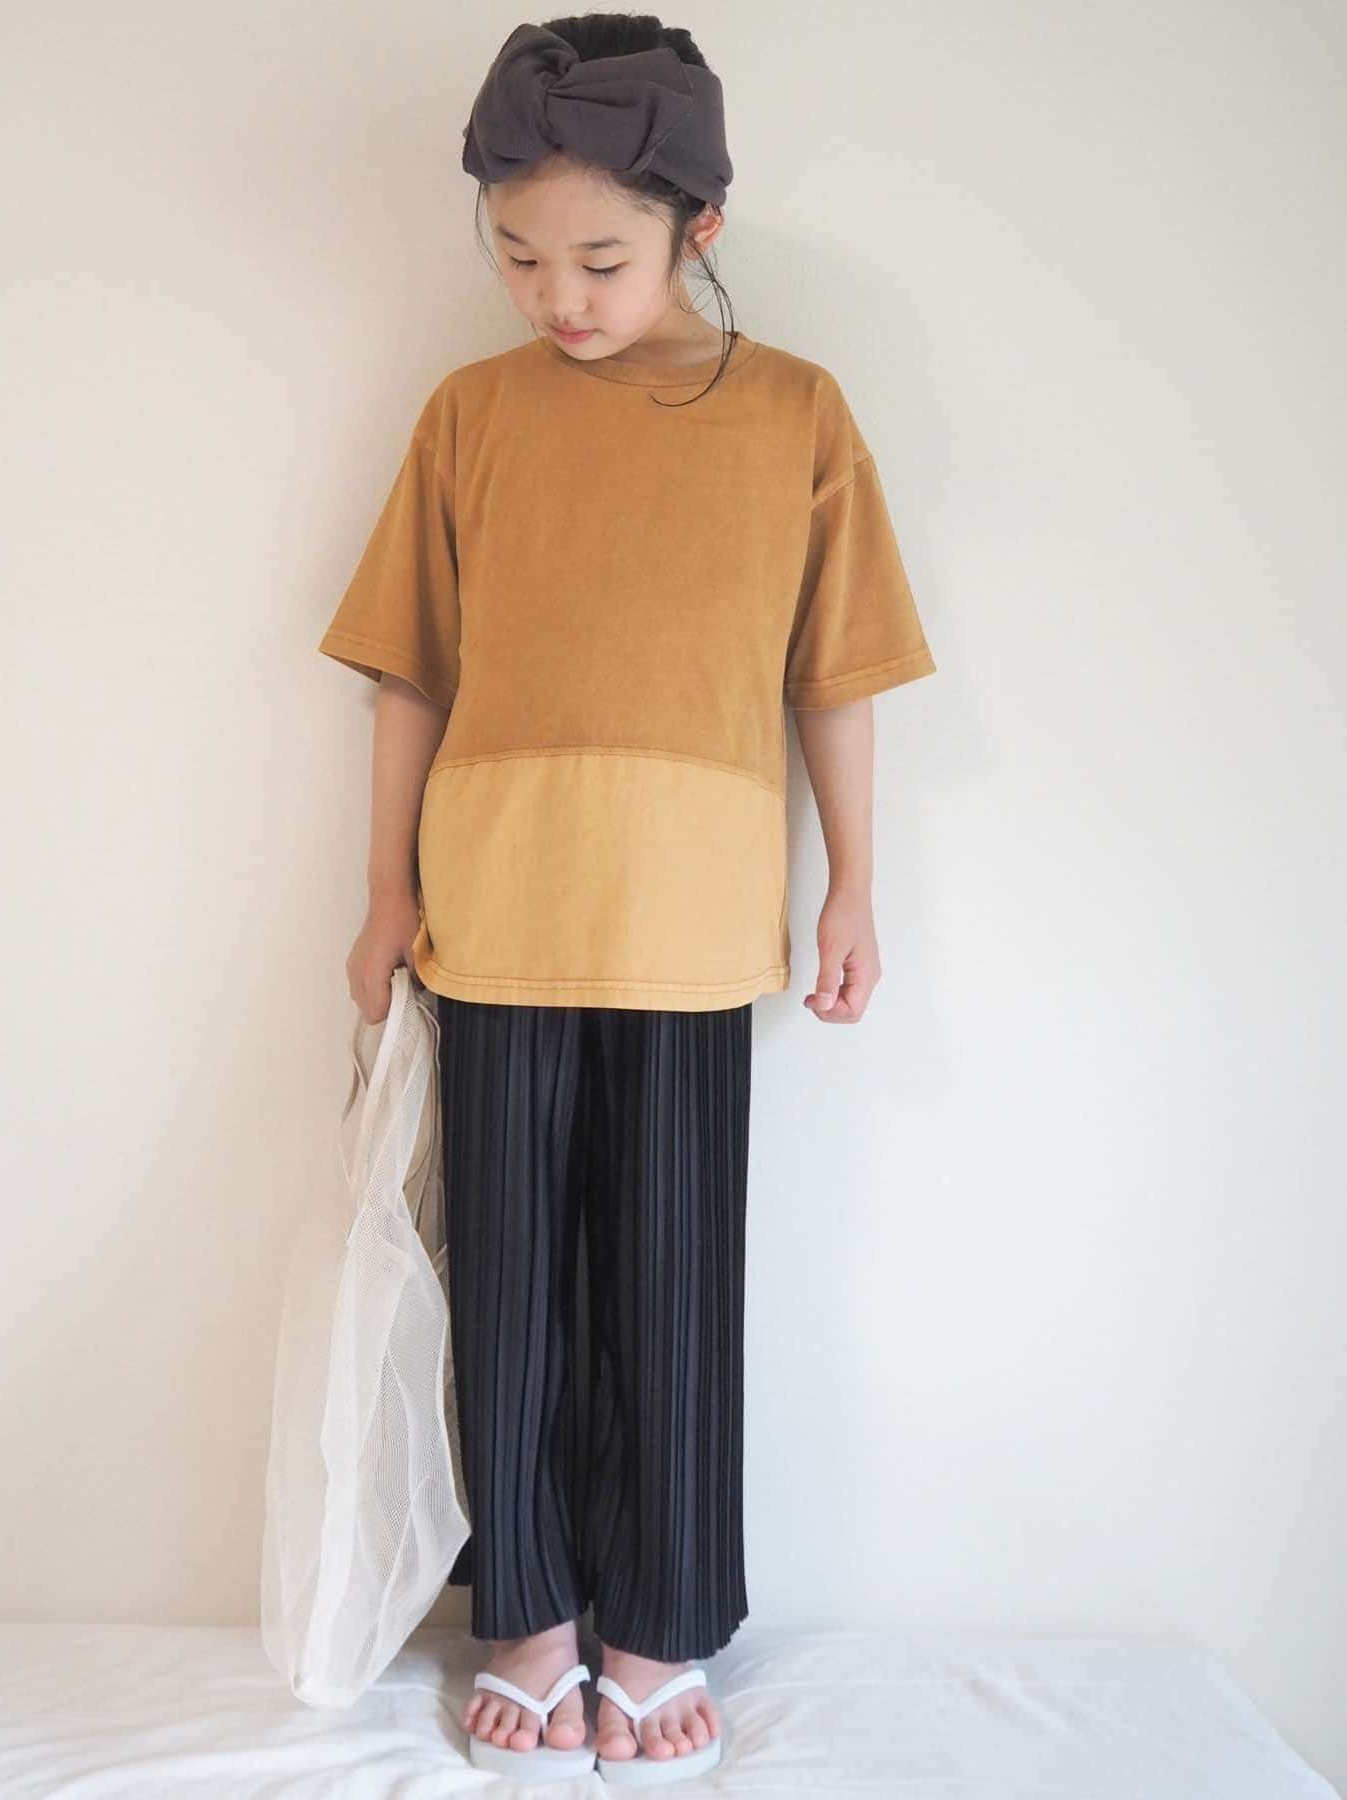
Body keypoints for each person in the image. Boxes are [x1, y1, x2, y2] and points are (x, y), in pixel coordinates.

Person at [317, 12, 937, 1783]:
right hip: (495, 908)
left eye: (599, 258)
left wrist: (857, 888)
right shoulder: (471, 412)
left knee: (671, 1287)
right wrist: (382, 891)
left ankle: (658, 1622)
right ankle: (523, 1610)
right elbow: (410, 670)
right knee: (507, 1287)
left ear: (698, 229)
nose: (557, 296)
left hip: (693, 918)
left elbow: (837, 674)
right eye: (519, 255)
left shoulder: (796, 414)